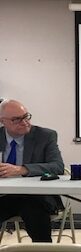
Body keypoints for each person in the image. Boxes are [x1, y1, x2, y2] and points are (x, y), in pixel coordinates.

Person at [0, 99, 65, 242]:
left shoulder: (45, 136)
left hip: (35, 196)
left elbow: (57, 167)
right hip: (4, 195)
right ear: (2, 121)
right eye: (16, 119)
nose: (24, 123)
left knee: (34, 212)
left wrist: (22, 169)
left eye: (26, 116)